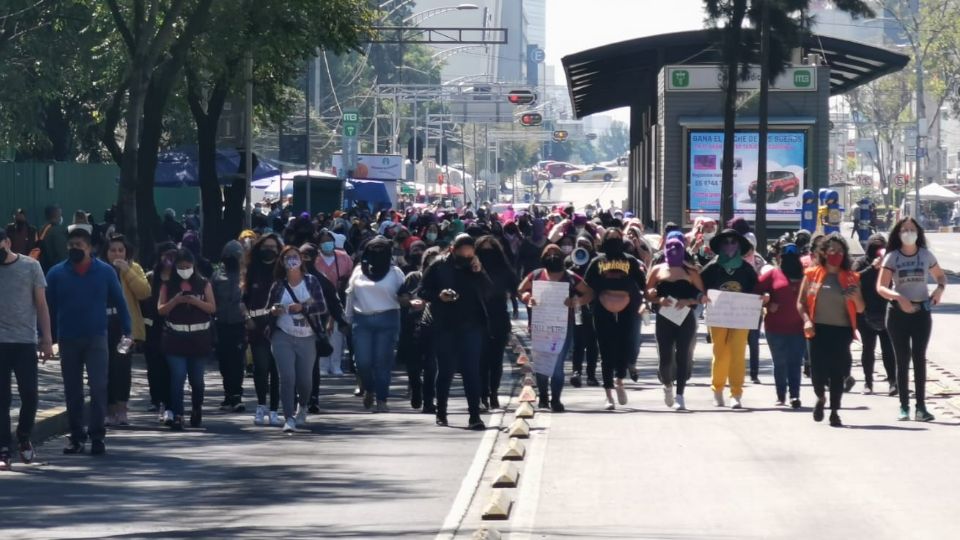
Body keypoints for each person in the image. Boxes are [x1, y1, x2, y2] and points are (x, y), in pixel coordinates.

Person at [46, 227, 132, 455]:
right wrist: (45, 337)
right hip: (68, 339)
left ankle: (97, 436)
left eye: (80, 246)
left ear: (90, 248)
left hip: (96, 337)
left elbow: (120, 301)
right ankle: (76, 436)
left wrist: (128, 330)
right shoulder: (56, 273)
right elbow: (48, 308)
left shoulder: (104, 272)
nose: (75, 249)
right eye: (72, 245)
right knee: (72, 390)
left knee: (98, 387)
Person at [877, 217, 947, 422]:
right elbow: (881, 287)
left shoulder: (925, 255)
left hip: (921, 312)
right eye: (904, 229)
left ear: (918, 233)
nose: (908, 232)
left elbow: (940, 277)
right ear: (898, 234)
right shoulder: (892, 257)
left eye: (912, 229)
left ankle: (921, 407)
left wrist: (939, 290)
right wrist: (898, 297)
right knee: (902, 359)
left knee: (919, 358)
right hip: (898, 313)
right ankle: (904, 406)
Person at [419, 234, 493, 429]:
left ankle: (474, 416)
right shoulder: (438, 265)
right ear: (452, 250)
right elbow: (422, 290)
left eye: (470, 255)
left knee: (471, 371)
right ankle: (441, 412)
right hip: (445, 325)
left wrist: (479, 271)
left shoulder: (475, 266)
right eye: (463, 255)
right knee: (446, 371)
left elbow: (488, 292)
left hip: (472, 326)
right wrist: (439, 295)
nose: (466, 259)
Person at [0, 229, 53, 470]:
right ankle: (3, 447)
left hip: (25, 341)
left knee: (30, 394)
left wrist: (47, 339)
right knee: (2, 398)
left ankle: (23, 437)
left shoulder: (30, 267)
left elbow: (41, 304)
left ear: (7, 242)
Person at [797, 235, 864, 426]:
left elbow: (860, 309)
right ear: (824, 252)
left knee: (837, 373)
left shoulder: (852, 277)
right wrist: (806, 321)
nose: (836, 254)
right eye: (832, 250)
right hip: (817, 329)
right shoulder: (811, 274)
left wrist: (856, 296)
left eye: (840, 251)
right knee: (817, 371)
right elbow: (801, 303)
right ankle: (821, 397)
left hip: (841, 331)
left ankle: (835, 410)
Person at [518, 244, 593, 412]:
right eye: (548, 253)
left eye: (556, 253)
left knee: (557, 364)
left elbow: (589, 293)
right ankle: (543, 395)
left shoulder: (571, 277)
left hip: (563, 327)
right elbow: (520, 289)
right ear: (543, 257)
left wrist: (576, 301)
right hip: (540, 326)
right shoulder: (536, 275)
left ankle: (556, 399)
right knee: (541, 362)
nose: (552, 256)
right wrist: (527, 297)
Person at [266, 246, 328, 432]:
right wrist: (274, 310)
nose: (292, 261)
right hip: (282, 335)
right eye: (287, 258)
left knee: (305, 380)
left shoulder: (311, 281)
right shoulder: (278, 285)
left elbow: (322, 307)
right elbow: (269, 308)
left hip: (307, 338)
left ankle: (303, 405)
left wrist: (303, 308)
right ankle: (289, 417)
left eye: (295, 257)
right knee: (287, 377)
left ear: (301, 260)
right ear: (282, 262)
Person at [584, 228, 647, 410]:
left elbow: (643, 284)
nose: (613, 242)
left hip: (627, 307)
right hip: (602, 309)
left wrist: (646, 301)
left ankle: (619, 380)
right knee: (606, 350)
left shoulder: (630, 260)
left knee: (624, 346)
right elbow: (586, 285)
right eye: (609, 239)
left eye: (617, 238)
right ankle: (608, 393)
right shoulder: (597, 261)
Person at [157, 249, 216, 430]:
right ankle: (178, 414)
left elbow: (212, 308)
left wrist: (194, 301)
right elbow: (161, 309)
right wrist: (175, 301)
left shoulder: (203, 284)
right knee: (178, 376)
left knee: (197, 380)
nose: (184, 270)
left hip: (199, 341)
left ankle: (196, 409)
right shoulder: (168, 285)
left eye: (188, 267)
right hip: (175, 340)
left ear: (193, 267)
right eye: (181, 267)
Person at [645, 236, 706, 411]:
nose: (673, 250)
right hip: (664, 318)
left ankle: (680, 395)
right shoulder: (657, 269)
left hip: (685, 317)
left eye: (677, 247)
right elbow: (647, 292)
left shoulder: (690, 271)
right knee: (665, 357)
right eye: (670, 246)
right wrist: (656, 296)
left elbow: (701, 295)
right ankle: (667, 386)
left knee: (682, 356)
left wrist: (688, 301)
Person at [345, 237, 405, 413]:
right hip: (362, 319)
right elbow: (350, 294)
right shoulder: (358, 270)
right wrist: (347, 319)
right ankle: (368, 388)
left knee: (382, 362)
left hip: (388, 319)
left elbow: (404, 295)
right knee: (362, 362)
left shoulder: (395, 273)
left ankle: (382, 399)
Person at [700, 228, 758, 409]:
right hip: (718, 316)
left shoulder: (747, 269)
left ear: (740, 246)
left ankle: (736, 393)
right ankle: (717, 390)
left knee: (738, 353)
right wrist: (701, 296)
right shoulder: (712, 267)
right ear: (720, 246)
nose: (730, 245)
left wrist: (762, 298)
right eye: (726, 242)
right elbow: (700, 286)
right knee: (720, 352)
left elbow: (756, 290)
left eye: (734, 242)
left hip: (740, 318)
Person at [102, 234, 150, 426]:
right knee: (104, 369)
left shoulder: (133, 267)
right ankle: (109, 409)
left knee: (121, 369)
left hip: (125, 327)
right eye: (112, 250)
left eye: (120, 250)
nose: (117, 254)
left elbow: (144, 292)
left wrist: (127, 271)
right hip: (103, 326)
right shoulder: (99, 270)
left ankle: (122, 409)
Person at [756, 242, 806, 408]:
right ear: (780, 258)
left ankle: (794, 395)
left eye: (793, 257)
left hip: (799, 327)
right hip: (775, 328)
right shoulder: (773, 274)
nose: (789, 260)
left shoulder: (806, 275)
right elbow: (755, 290)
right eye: (786, 257)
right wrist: (766, 302)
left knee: (795, 362)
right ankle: (781, 395)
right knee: (780, 362)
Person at [475, 235, 519, 411]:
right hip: (477, 318)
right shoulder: (473, 269)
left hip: (499, 318)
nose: (488, 255)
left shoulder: (504, 270)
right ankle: (482, 394)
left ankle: (493, 392)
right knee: (480, 360)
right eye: (483, 251)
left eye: (490, 251)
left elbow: (517, 288)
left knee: (496, 360)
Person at [244, 234, 283, 427]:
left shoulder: (282, 270)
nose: (270, 250)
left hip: (279, 325)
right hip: (256, 325)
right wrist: (247, 318)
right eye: (266, 246)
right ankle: (261, 405)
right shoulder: (252, 270)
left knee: (276, 370)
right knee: (261, 367)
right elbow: (242, 298)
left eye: (274, 247)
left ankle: (275, 409)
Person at [399, 247, 441, 413]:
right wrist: (410, 302)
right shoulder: (414, 277)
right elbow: (401, 296)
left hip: (434, 325)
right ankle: (416, 387)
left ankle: (429, 401)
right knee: (413, 365)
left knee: (431, 364)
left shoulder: (443, 280)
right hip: (412, 325)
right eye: (429, 259)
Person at [853, 234, 896, 396]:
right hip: (866, 312)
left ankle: (893, 381)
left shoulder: (890, 262)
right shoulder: (861, 262)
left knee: (888, 349)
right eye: (874, 246)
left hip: (886, 311)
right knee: (868, 349)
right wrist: (872, 267)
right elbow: (853, 277)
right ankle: (868, 382)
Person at [212, 241, 248, 413]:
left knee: (237, 362)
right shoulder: (217, 275)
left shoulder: (246, 276)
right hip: (221, 324)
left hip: (240, 324)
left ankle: (236, 395)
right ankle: (228, 394)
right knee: (224, 362)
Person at [143, 243, 177, 420]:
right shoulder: (151, 277)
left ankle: (170, 402)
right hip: (153, 327)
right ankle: (156, 398)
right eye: (166, 255)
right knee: (155, 366)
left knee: (171, 366)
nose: (169, 260)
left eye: (173, 255)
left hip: (175, 327)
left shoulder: (180, 278)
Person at [314, 229, 353, 375]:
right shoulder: (315, 259)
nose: (326, 244)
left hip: (338, 301)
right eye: (323, 242)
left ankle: (336, 364)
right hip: (319, 301)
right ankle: (322, 365)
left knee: (337, 333)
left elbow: (350, 276)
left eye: (328, 241)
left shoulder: (343, 257)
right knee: (322, 332)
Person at [569, 235, 599, 387]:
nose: (583, 246)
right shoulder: (570, 261)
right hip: (577, 307)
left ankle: (591, 375)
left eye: (586, 243)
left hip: (594, 306)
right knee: (578, 342)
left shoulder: (597, 261)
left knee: (593, 343)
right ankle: (577, 372)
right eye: (580, 243)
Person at [38, 205, 68, 273]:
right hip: (56, 269)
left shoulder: (43, 229)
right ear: (57, 215)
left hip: (44, 268)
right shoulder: (56, 230)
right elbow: (62, 253)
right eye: (60, 214)